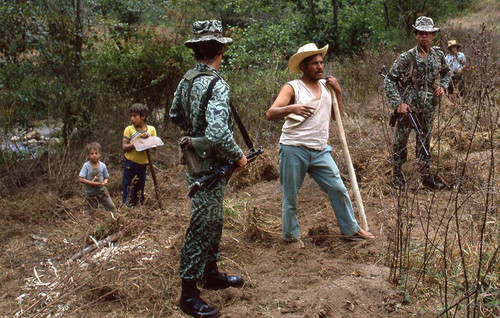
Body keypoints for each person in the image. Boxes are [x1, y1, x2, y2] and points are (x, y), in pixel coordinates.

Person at [169, 20, 247, 318]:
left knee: (213, 218)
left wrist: (193, 135)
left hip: (197, 161)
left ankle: (210, 273)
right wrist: (238, 155)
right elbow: (218, 134)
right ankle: (188, 295)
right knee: (202, 224)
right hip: (211, 163)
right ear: (220, 50)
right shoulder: (218, 84)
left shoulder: (187, 79)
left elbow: (176, 114)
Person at [266, 43, 374, 249]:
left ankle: (350, 230)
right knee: (291, 195)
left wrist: (339, 93)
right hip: (293, 148)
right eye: (314, 63)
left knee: (338, 188)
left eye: (321, 62)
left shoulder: (327, 87)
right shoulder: (292, 87)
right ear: (304, 66)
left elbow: (336, 117)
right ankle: (291, 237)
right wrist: (293, 107)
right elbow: (271, 113)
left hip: (319, 150)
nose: (320, 67)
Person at [384, 16, 451, 190]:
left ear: (433, 36)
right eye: (421, 33)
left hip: (429, 105)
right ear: (416, 34)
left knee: (424, 141)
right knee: (401, 141)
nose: (424, 36)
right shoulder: (406, 57)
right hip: (409, 106)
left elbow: (447, 73)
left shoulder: (438, 55)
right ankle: (397, 177)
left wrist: (443, 87)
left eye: (428, 33)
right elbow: (389, 80)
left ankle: (425, 178)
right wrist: (399, 103)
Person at [122, 103, 157, 206]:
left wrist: (149, 139)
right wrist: (137, 142)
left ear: (143, 117)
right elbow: (124, 147)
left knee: (139, 191)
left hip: (143, 165)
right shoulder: (129, 129)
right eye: (131, 116)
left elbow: (155, 147)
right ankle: (126, 211)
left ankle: (137, 212)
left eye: (135, 116)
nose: (132, 118)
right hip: (130, 165)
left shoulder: (151, 130)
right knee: (128, 190)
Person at [78, 142, 116, 212]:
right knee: (91, 211)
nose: (94, 155)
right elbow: (80, 179)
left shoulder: (103, 165)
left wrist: (105, 182)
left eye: (96, 153)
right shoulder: (86, 166)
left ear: (100, 154)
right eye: (92, 154)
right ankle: (90, 222)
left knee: (111, 207)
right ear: (88, 155)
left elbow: (106, 176)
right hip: (91, 193)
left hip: (102, 191)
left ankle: (114, 219)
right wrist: (91, 183)